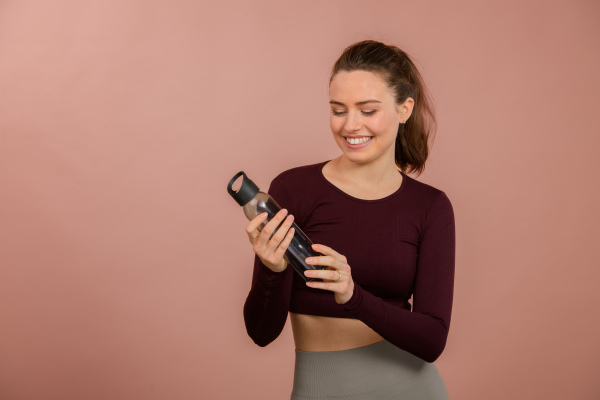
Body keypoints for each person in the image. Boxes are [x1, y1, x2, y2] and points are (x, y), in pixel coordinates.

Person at [243, 40, 455, 399]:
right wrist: (271, 268)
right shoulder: (294, 189)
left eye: (367, 110)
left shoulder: (430, 207)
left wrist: (352, 295)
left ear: (404, 109)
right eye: (338, 110)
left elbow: (432, 339)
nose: (350, 125)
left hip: (412, 388)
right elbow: (261, 332)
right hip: (319, 388)